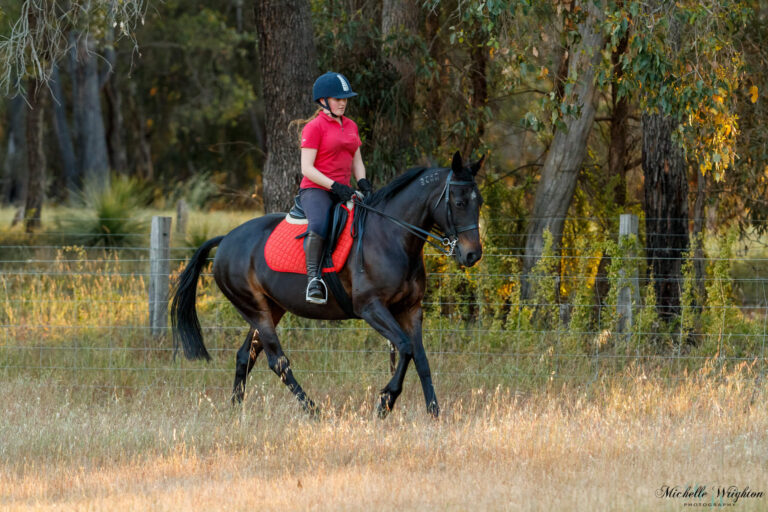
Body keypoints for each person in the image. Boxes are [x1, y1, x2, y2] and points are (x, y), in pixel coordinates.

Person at [299, 72, 372, 304]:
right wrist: (333, 186)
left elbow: (356, 160)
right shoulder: (313, 128)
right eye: (337, 98)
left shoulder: (351, 126)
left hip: (345, 189)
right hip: (316, 190)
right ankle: (313, 280)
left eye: (345, 98)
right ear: (323, 101)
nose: (342, 103)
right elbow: (307, 168)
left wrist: (362, 182)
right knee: (319, 224)